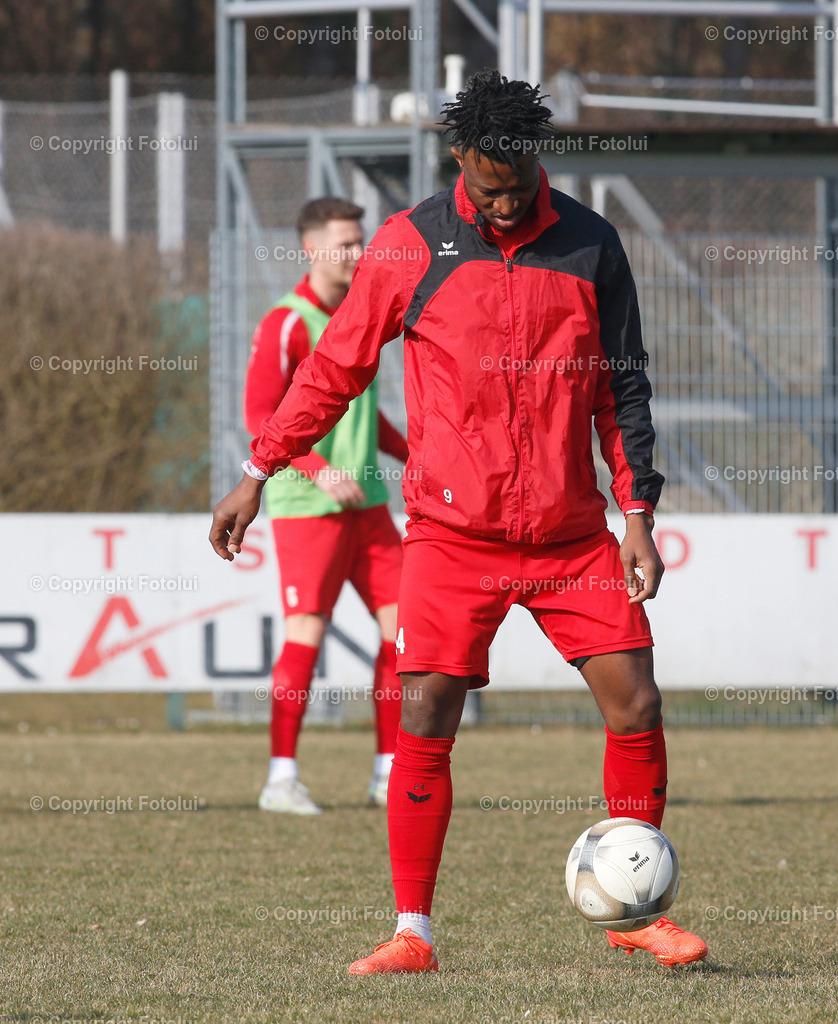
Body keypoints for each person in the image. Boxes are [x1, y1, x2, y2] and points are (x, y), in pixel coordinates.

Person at [211, 70, 708, 970]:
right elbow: (335, 368)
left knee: (636, 701)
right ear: (458, 160)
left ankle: (633, 913)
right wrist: (259, 470)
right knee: (427, 708)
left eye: (517, 185)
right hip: (452, 535)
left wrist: (636, 510)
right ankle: (414, 933)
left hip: (569, 536)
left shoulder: (591, 243)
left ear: (536, 161)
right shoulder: (408, 245)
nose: (505, 202)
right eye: (488, 187)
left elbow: (621, 388)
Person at [245, 197, 409, 814]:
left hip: (368, 505)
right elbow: (258, 416)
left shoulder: (360, 317)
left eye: (361, 241)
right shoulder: (287, 322)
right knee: (306, 635)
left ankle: (388, 773)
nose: (356, 254)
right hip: (305, 505)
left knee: (406, 634)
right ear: (311, 248)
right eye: (345, 243)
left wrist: (417, 453)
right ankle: (280, 780)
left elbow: (364, 414)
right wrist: (316, 469)